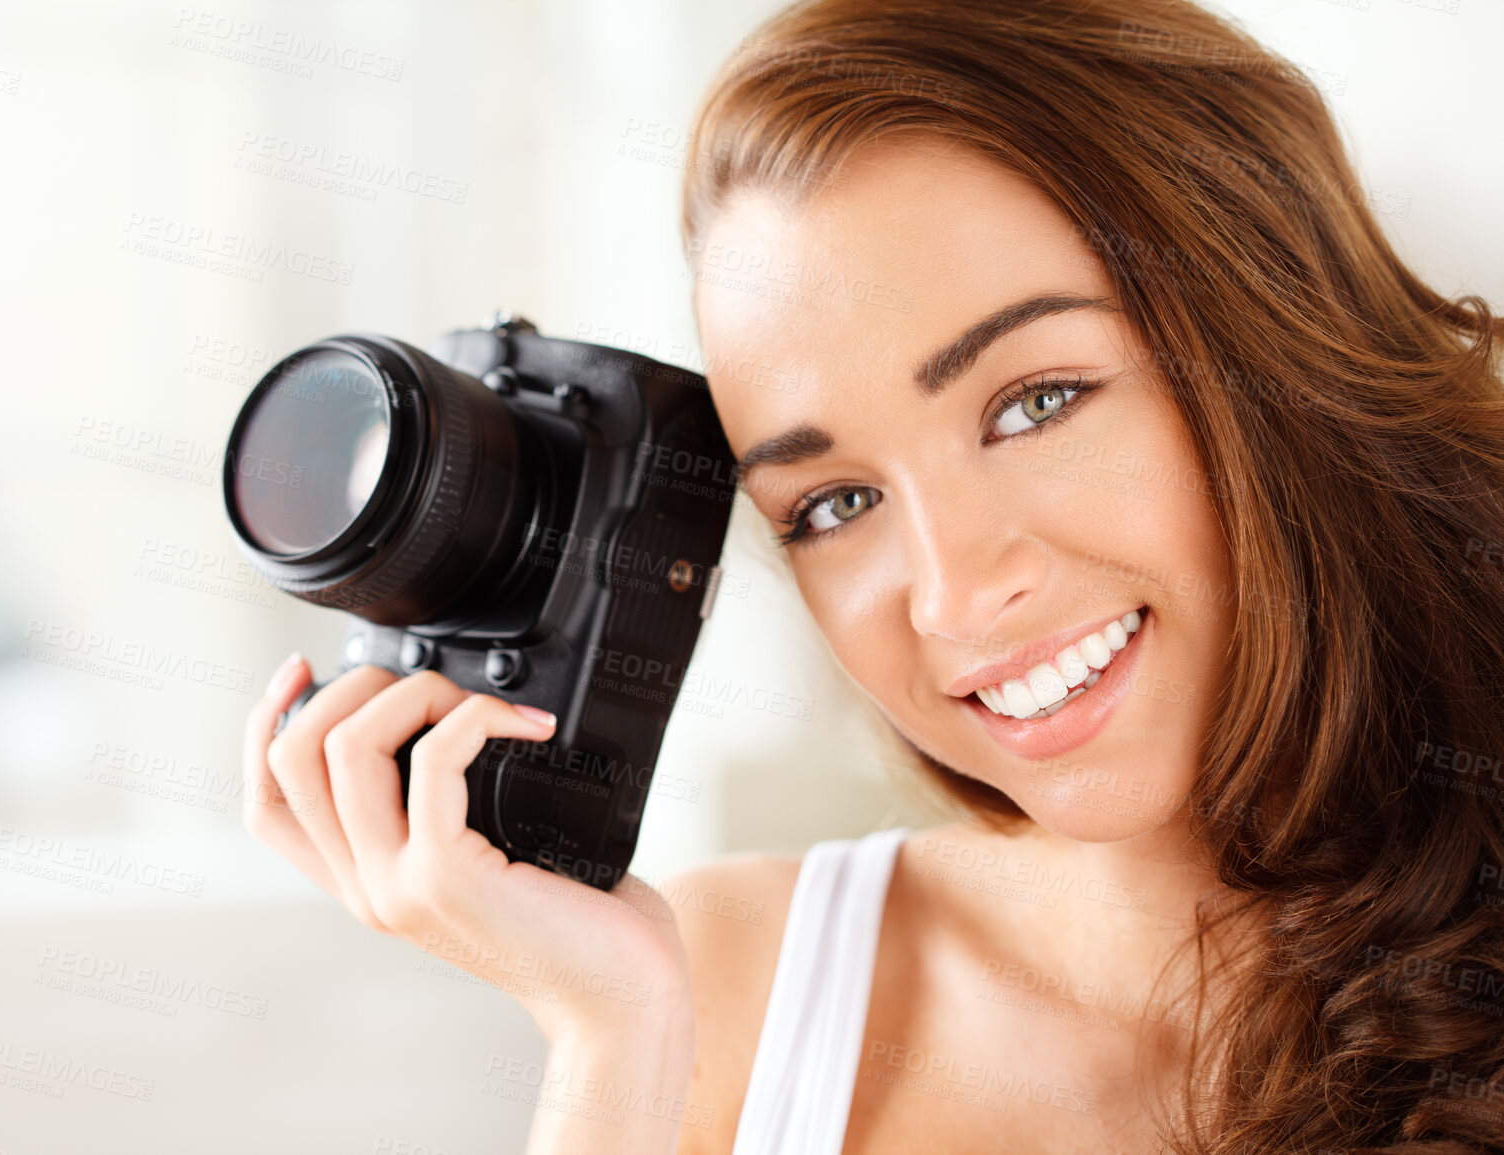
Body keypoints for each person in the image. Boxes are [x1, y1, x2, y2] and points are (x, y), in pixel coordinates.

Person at [241, 0, 1504, 1151]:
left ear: (1275, 340)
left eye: (1036, 401)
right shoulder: (730, 981)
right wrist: (611, 1046)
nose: (952, 595)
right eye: (833, 503)